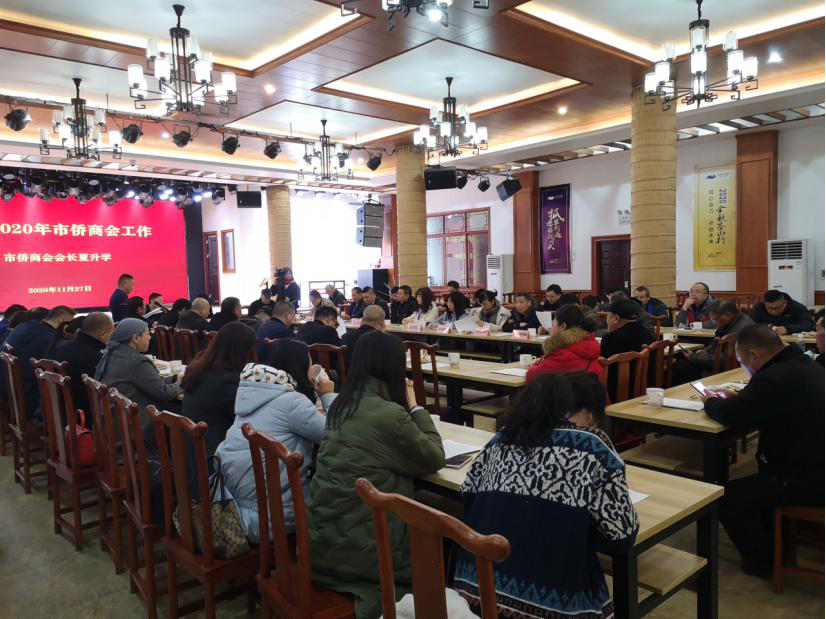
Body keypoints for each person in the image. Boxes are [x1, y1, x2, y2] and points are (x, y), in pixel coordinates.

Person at [453, 373, 638, 618]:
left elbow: (468, 498)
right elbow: (622, 537)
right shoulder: (592, 445)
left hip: (474, 597)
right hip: (552, 607)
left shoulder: (500, 439)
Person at [307, 331, 445, 617]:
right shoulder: (388, 414)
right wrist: (416, 405)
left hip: (322, 543)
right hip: (363, 557)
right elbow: (434, 457)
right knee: (442, 517)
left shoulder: (340, 405)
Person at [702, 325, 824, 577]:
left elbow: (731, 416)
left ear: (754, 355)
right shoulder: (805, 364)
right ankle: (778, 544)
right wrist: (741, 399)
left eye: (741, 360)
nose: (743, 365)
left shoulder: (773, 378)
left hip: (805, 479)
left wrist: (710, 401)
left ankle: (764, 562)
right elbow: (759, 403)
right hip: (813, 465)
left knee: (725, 498)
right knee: (754, 487)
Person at [218, 339, 335, 542]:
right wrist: (328, 394)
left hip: (231, 504)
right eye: (309, 364)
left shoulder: (251, 391)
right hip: (271, 516)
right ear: (298, 367)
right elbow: (336, 434)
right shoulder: (292, 402)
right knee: (340, 493)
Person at [180, 322, 255, 474]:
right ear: (241, 352)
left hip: (192, 451)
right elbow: (246, 417)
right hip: (213, 460)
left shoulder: (198, 367)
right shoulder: (226, 382)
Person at [95, 317, 182, 429]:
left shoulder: (111, 353)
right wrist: (182, 383)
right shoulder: (137, 361)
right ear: (135, 338)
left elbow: (144, 381)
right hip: (137, 426)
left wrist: (173, 379)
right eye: (148, 334)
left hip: (115, 421)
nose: (150, 337)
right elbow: (165, 394)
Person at [5, 305, 75, 418]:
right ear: (61, 320)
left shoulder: (31, 328)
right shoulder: (48, 337)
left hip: (12, 391)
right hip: (30, 399)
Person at [52, 312, 114, 425]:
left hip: (62, 410)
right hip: (86, 416)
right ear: (103, 334)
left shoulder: (63, 347)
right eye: (112, 333)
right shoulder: (97, 357)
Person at [672, 300, 754, 384]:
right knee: (682, 360)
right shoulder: (733, 321)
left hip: (724, 370)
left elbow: (725, 360)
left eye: (716, 319)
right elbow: (716, 343)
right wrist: (704, 351)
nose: (715, 323)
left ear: (727, 315)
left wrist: (694, 357)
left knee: (681, 366)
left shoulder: (740, 329)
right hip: (718, 362)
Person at [526, 304, 601, 382]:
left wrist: (536, 363)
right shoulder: (589, 344)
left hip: (567, 390)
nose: (551, 325)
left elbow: (531, 375)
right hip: (588, 389)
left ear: (563, 326)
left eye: (554, 322)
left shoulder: (562, 351)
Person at [600, 298, 654, 401]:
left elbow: (603, 369)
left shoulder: (610, 339)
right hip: (643, 391)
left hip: (613, 394)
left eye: (608, 316)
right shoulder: (646, 333)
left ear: (616, 318)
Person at [748, 289, 815, 335]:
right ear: (765, 304)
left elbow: (808, 324)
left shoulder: (797, 307)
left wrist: (788, 329)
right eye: (769, 308)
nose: (773, 311)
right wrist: (768, 327)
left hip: (792, 343)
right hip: (765, 343)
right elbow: (749, 324)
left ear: (785, 303)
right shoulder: (759, 308)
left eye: (777, 308)